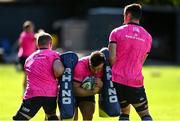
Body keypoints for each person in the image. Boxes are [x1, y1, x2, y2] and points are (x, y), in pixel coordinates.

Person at [108, 3, 153, 121]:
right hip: (135, 82)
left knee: (124, 113)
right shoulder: (148, 37)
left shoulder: (116, 32)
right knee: (145, 115)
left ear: (127, 15)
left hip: (117, 81)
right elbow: (141, 62)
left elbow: (112, 58)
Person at [13, 33, 65, 120]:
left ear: (37, 44)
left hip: (33, 95)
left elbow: (26, 78)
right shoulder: (54, 55)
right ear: (50, 44)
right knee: (51, 117)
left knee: (20, 119)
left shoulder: (29, 58)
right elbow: (58, 71)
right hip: (50, 95)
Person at [73, 51, 104, 121]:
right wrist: (93, 92)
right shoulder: (80, 66)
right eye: (93, 68)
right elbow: (75, 90)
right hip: (72, 94)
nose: (96, 72)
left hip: (88, 92)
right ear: (89, 63)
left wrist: (102, 85)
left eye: (99, 69)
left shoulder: (105, 68)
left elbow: (107, 89)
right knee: (72, 118)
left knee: (88, 116)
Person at [17, 20, 36, 94]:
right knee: (27, 75)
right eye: (31, 27)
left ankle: (25, 91)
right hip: (26, 57)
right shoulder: (29, 35)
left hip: (24, 57)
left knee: (27, 75)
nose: (32, 28)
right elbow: (37, 38)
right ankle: (25, 92)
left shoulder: (23, 34)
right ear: (28, 28)